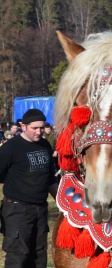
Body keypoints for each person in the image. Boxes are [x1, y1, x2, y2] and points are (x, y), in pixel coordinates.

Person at [0, 109, 58, 268]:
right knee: (18, 257)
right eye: (34, 128)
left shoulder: (45, 144)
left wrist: (63, 204)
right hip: (17, 211)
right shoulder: (10, 148)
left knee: (39, 256)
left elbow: (51, 178)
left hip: (40, 209)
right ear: (22, 126)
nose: (39, 132)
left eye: (42, 127)